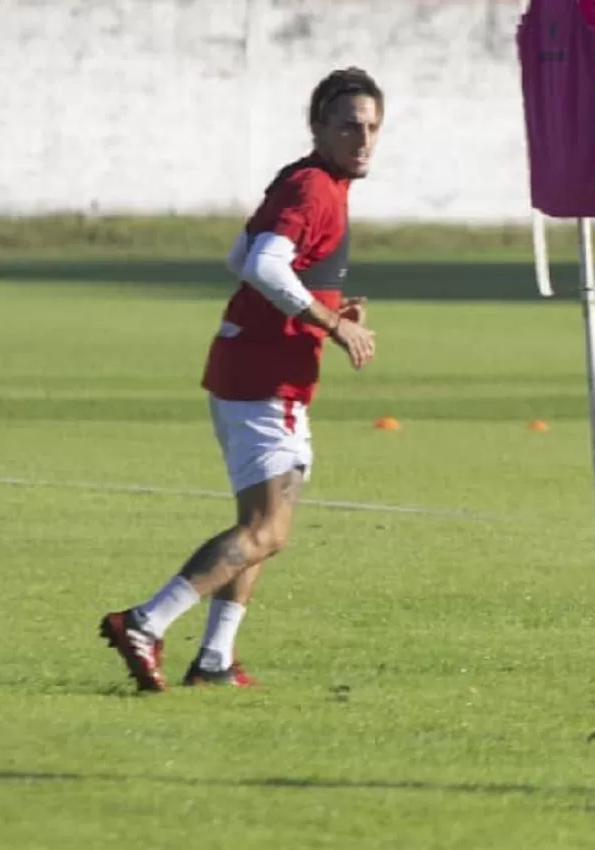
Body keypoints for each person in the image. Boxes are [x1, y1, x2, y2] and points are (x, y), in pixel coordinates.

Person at [98, 67, 383, 691]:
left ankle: (215, 660)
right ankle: (145, 622)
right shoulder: (314, 188)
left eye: (370, 127)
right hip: (265, 376)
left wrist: (323, 304)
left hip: (251, 370)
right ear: (319, 128)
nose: (361, 138)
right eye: (348, 125)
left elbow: (239, 258)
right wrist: (332, 321)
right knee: (266, 529)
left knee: (260, 527)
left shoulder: (307, 179)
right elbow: (261, 264)